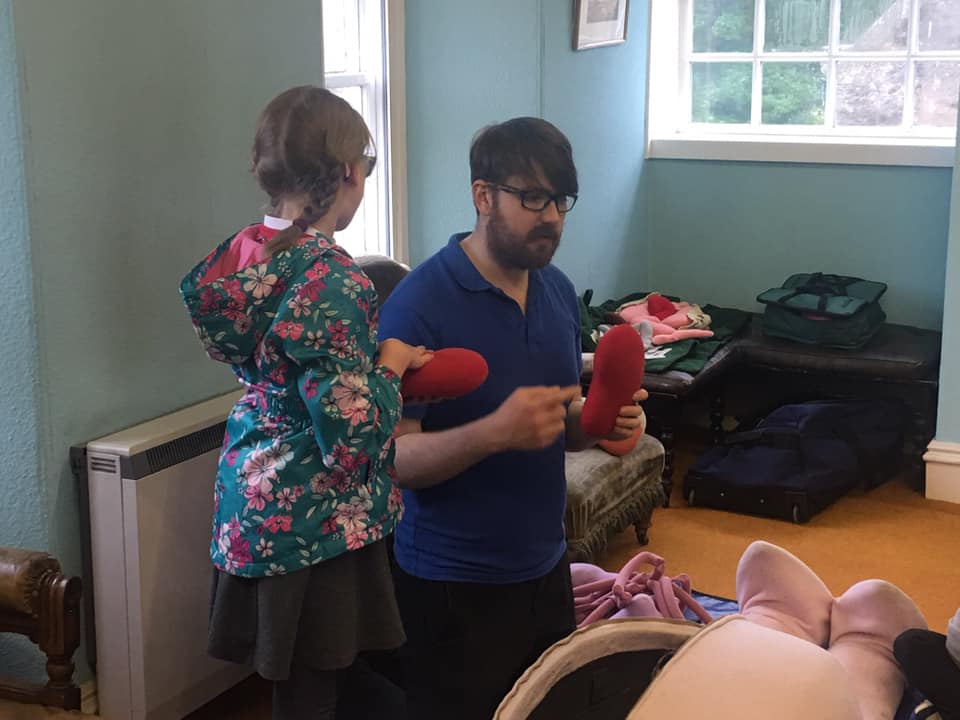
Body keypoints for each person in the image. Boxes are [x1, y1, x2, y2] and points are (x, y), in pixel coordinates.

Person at [377, 116, 647, 719]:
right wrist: (492, 432)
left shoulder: (556, 292)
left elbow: (559, 419)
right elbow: (389, 457)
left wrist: (600, 422)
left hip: (546, 565)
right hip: (450, 585)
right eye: (531, 197)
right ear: (482, 196)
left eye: (560, 199)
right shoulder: (417, 306)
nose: (549, 215)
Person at [179, 85, 431, 720]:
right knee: (315, 688)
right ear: (348, 171)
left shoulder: (245, 256)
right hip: (315, 514)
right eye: (367, 167)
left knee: (299, 683)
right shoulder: (333, 280)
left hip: (253, 486)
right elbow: (348, 435)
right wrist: (393, 364)